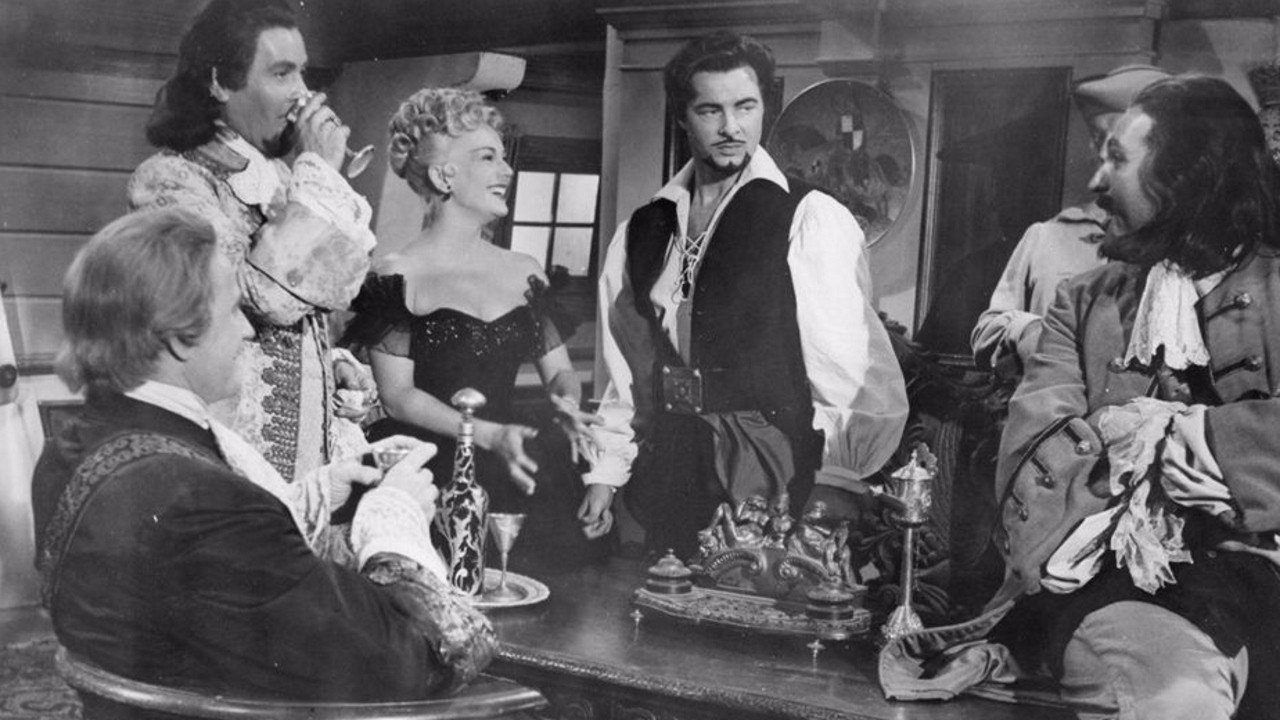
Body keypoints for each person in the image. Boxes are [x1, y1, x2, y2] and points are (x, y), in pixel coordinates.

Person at [883, 76, 1280, 720]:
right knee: (1173, 701)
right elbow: (1035, 470)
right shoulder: (1084, 302)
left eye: (1117, 158)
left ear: (1187, 176)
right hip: (1118, 593)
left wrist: (1202, 440)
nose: (1096, 181)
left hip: (1261, 593)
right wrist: (1169, 450)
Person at [31, 209, 496, 718]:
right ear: (178, 336)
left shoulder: (71, 449)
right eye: (234, 309)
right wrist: (394, 523)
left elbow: (221, 596)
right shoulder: (200, 501)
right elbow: (402, 667)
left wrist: (318, 493)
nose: (249, 332)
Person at [591, 31, 909, 558]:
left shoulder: (809, 218)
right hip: (671, 471)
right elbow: (628, 370)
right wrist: (606, 470)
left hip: (775, 473)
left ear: (766, 107)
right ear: (682, 116)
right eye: (710, 110)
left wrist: (837, 480)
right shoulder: (642, 229)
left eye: (745, 106)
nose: (731, 127)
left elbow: (852, 374)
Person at [340, 87, 609, 549]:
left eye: (504, 157)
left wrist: (566, 403)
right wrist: (485, 435)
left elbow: (560, 373)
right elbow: (399, 398)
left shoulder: (525, 270)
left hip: (514, 460)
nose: (507, 170)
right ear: (444, 175)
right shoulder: (396, 275)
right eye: (488, 158)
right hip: (428, 471)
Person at [128, 0, 376, 485]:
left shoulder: (284, 180)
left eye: (303, 72)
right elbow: (258, 298)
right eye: (282, 73)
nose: (303, 93)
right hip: (225, 465)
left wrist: (328, 367)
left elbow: (315, 303)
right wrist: (321, 173)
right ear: (220, 82)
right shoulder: (171, 180)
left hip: (304, 473)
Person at [971, 65, 1170, 374]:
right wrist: (1027, 331)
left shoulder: (1186, 247)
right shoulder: (1047, 236)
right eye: (1101, 140)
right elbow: (987, 331)